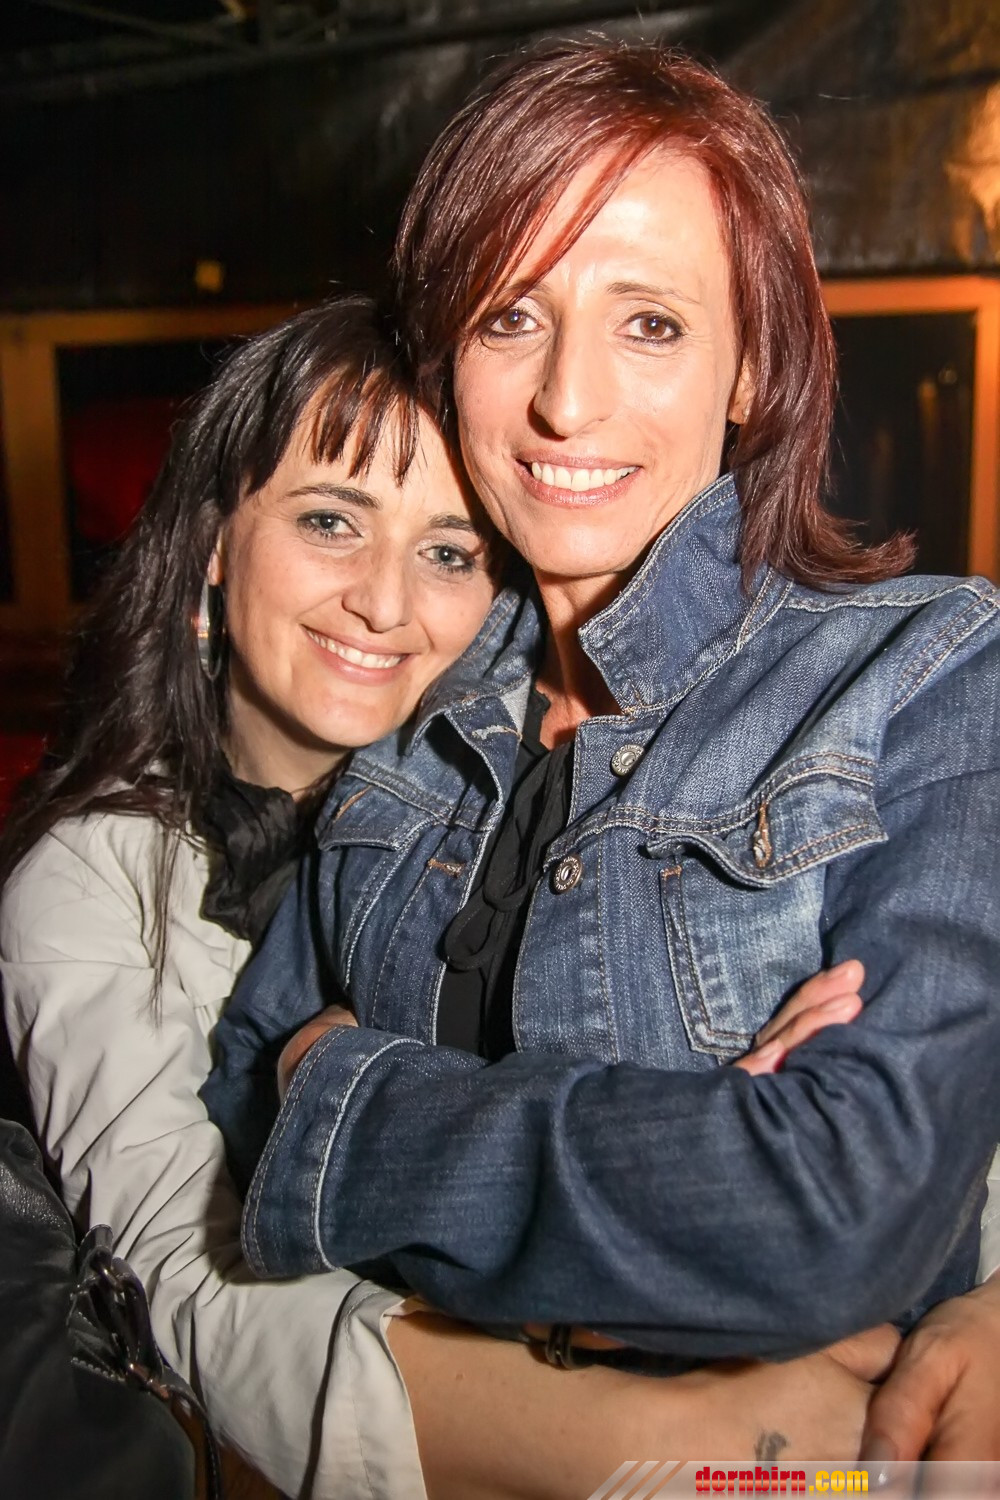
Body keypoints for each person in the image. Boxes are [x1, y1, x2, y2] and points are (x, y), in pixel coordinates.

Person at [203, 40, 1000, 1464]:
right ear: (447, 357)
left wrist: (351, 1092)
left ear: (753, 366)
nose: (567, 402)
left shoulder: (926, 673)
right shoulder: (415, 709)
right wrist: (689, 1167)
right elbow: (240, 1091)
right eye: (511, 316)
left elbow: (829, 1218)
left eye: (651, 323)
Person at [0, 295, 892, 1500]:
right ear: (213, 542)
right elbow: (186, 1283)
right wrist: (685, 1443)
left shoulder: (552, 792)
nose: (385, 601)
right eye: (330, 520)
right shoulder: (98, 878)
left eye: (449, 552)